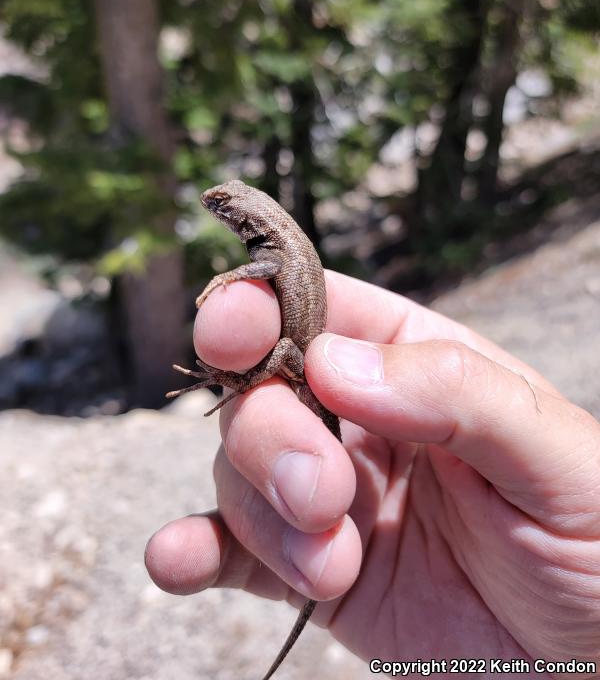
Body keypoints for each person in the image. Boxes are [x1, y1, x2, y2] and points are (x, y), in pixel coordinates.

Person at [144, 271, 600, 669]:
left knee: (275, 362)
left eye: (222, 205)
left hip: (310, 363)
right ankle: (232, 382)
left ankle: (229, 381)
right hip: (313, 370)